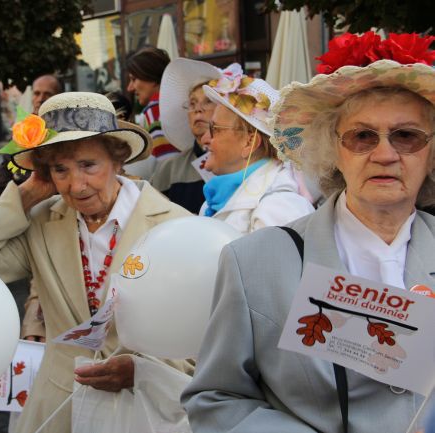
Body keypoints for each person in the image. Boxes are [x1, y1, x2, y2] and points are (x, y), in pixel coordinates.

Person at [182, 32, 435, 433]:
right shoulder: (255, 263)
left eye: (406, 136)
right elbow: (215, 399)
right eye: (362, 136)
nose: (385, 154)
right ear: (332, 148)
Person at [0, 92, 192, 433]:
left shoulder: (172, 225)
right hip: (57, 407)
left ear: (118, 159)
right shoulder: (41, 222)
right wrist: (28, 193)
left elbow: (204, 333)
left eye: (88, 165)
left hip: (143, 408)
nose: (76, 185)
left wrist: (144, 371)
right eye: (60, 169)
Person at [197, 68, 314, 233]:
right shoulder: (217, 200)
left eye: (214, 128)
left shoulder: (279, 209)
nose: (204, 139)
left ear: (249, 142)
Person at [150, 58, 231, 213]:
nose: (197, 110)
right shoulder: (169, 169)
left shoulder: (240, 162)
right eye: (192, 103)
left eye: (208, 101)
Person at [0, 74, 63, 194]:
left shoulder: (67, 130)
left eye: (47, 94)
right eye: (36, 93)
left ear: (59, 97)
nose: (41, 98)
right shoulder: (23, 127)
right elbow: (5, 167)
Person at [126, 47, 178, 162]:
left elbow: (165, 163)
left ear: (153, 79)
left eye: (134, 79)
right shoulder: (177, 102)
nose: (130, 88)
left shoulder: (155, 109)